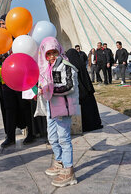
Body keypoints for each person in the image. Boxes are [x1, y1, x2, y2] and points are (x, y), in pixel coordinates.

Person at [36, 37, 79, 187]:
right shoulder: (47, 67)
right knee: (52, 137)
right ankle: (59, 161)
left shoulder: (66, 66)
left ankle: (69, 171)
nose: (51, 56)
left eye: (54, 52)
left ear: (59, 51)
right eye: (48, 54)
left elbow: (69, 86)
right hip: (51, 106)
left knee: (64, 139)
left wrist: (50, 90)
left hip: (62, 107)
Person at [0, 14, 33, 147]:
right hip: (5, 80)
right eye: (0, 24)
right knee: (9, 108)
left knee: (24, 106)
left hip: (20, 79)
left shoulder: (19, 39)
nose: (2, 27)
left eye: (4, 24)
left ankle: (31, 132)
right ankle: (10, 136)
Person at [66, 48, 102, 132]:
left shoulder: (69, 66)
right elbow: (86, 79)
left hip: (77, 92)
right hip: (86, 91)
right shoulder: (81, 64)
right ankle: (92, 124)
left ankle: (82, 126)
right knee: (90, 110)